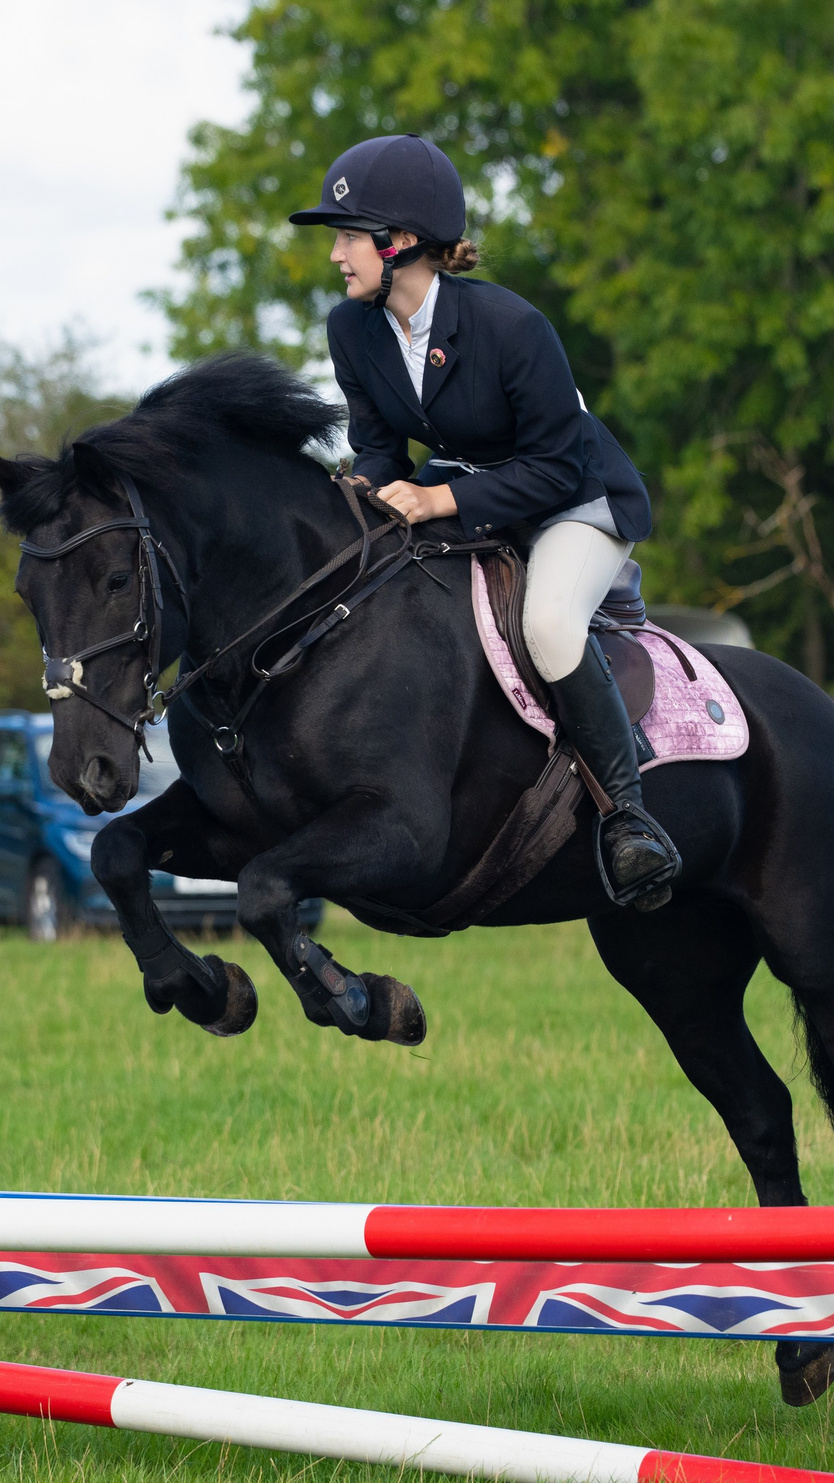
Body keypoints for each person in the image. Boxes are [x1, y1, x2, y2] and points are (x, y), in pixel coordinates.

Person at [289, 133, 683, 911]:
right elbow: (379, 448)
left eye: (347, 236)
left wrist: (437, 501)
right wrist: (351, 498)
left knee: (548, 625)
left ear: (399, 242)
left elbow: (556, 468)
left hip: (577, 498)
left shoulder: (511, 325)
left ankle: (629, 818)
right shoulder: (352, 329)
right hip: (472, 485)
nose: (335, 255)